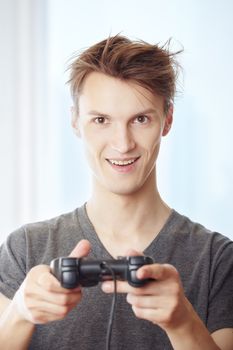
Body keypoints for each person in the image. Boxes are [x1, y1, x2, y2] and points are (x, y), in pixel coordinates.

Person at [0, 35, 233, 350]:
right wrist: (20, 314)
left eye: (140, 119)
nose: (122, 144)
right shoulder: (23, 250)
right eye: (101, 120)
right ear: (75, 121)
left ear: (168, 119)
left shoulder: (218, 260)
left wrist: (183, 323)